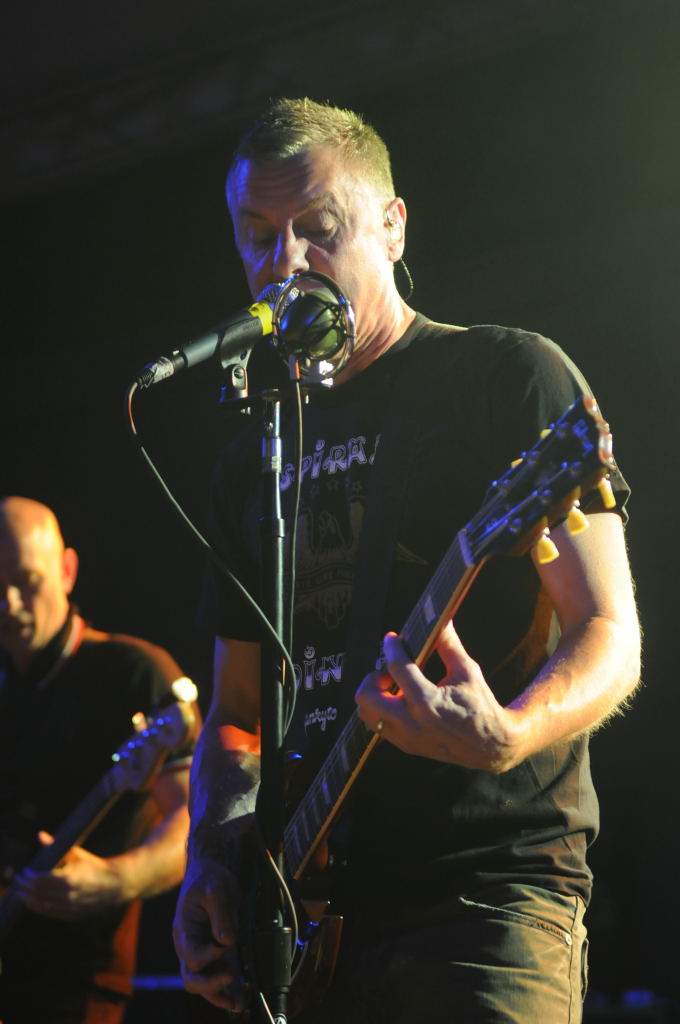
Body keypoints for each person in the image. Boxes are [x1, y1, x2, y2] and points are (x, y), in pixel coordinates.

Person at [172, 97, 641, 1023]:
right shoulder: (251, 457)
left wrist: (511, 732)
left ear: (391, 228)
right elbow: (234, 717)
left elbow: (608, 631)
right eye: (259, 235)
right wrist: (213, 855)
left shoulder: (507, 376)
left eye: (318, 228)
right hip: (305, 919)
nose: (286, 261)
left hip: (483, 900)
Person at [0, 496, 199, 1024]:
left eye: (26, 581)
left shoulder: (134, 672)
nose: (8, 603)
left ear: (66, 571)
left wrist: (115, 880)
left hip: (76, 989)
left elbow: (196, 817)